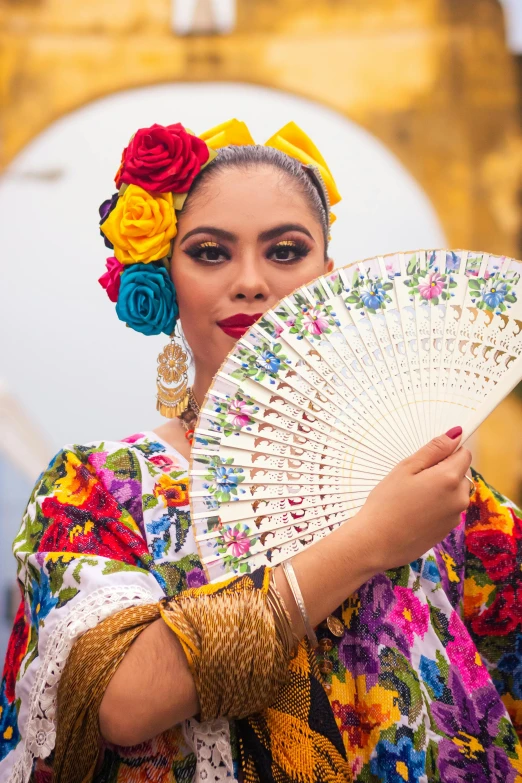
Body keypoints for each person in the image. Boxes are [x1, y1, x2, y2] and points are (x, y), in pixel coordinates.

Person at [0, 118, 521, 783]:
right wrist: (370, 542)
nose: (250, 280)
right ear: (167, 280)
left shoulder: (437, 495)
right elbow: (122, 703)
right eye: (211, 252)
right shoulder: (99, 488)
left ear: (328, 279)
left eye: (285, 250)